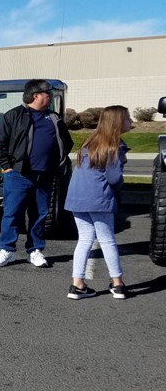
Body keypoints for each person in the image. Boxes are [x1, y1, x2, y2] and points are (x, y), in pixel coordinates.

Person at [0, 79, 73, 267]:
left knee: (40, 214)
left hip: (45, 175)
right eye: (47, 94)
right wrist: (7, 166)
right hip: (18, 175)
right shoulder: (13, 116)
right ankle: (7, 250)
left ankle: (35, 250)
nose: (50, 97)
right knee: (12, 213)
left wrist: (56, 164)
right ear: (36, 96)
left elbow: (66, 142)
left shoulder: (54, 118)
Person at [64, 106, 132, 300]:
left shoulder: (90, 142)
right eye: (127, 118)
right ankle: (117, 284)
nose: (131, 122)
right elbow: (113, 177)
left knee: (84, 239)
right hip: (99, 198)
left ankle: (77, 285)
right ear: (117, 123)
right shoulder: (114, 145)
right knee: (107, 239)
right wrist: (120, 185)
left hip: (77, 197)